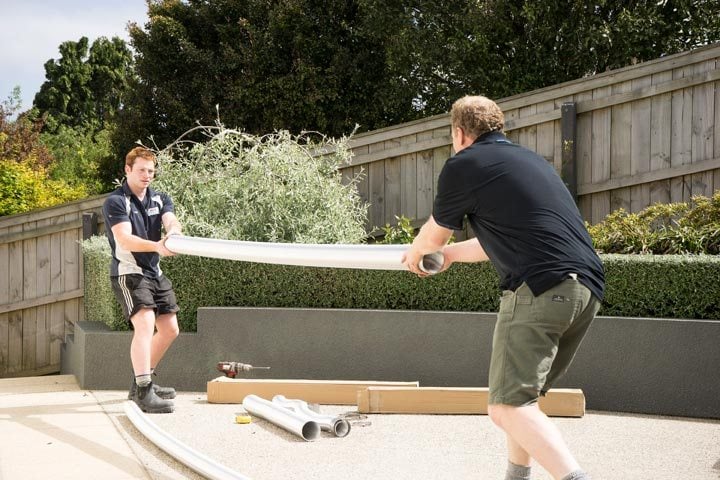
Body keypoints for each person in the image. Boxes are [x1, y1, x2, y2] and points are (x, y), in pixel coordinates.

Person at [402, 96, 604, 480]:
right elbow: (493, 241)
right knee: (522, 403)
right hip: (584, 290)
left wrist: (419, 253)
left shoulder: (464, 164)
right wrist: (449, 257)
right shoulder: (529, 163)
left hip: (540, 289)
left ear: (459, 133)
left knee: (506, 408)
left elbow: (434, 235)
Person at [102, 146, 182, 414]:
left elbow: (171, 220)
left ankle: (141, 382)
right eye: (141, 170)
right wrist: (159, 246)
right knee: (145, 324)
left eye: (150, 171)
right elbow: (125, 238)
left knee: (170, 328)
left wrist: (173, 232)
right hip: (129, 272)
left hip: (154, 273)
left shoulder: (160, 198)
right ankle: (144, 390)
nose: (147, 175)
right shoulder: (116, 201)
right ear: (127, 170)